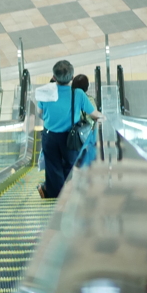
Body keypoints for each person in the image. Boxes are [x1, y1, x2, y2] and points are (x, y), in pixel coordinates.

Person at [36, 59, 101, 199]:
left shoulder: (45, 92)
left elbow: (39, 113)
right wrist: (104, 117)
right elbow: (94, 114)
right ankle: (70, 196)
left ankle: (55, 197)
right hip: (70, 138)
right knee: (71, 166)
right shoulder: (78, 94)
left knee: (53, 168)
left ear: (54, 77)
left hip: (49, 136)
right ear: (72, 77)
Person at [71, 73, 99, 167]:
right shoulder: (88, 99)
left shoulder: (67, 98)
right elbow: (94, 115)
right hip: (84, 134)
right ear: (86, 87)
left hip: (68, 134)